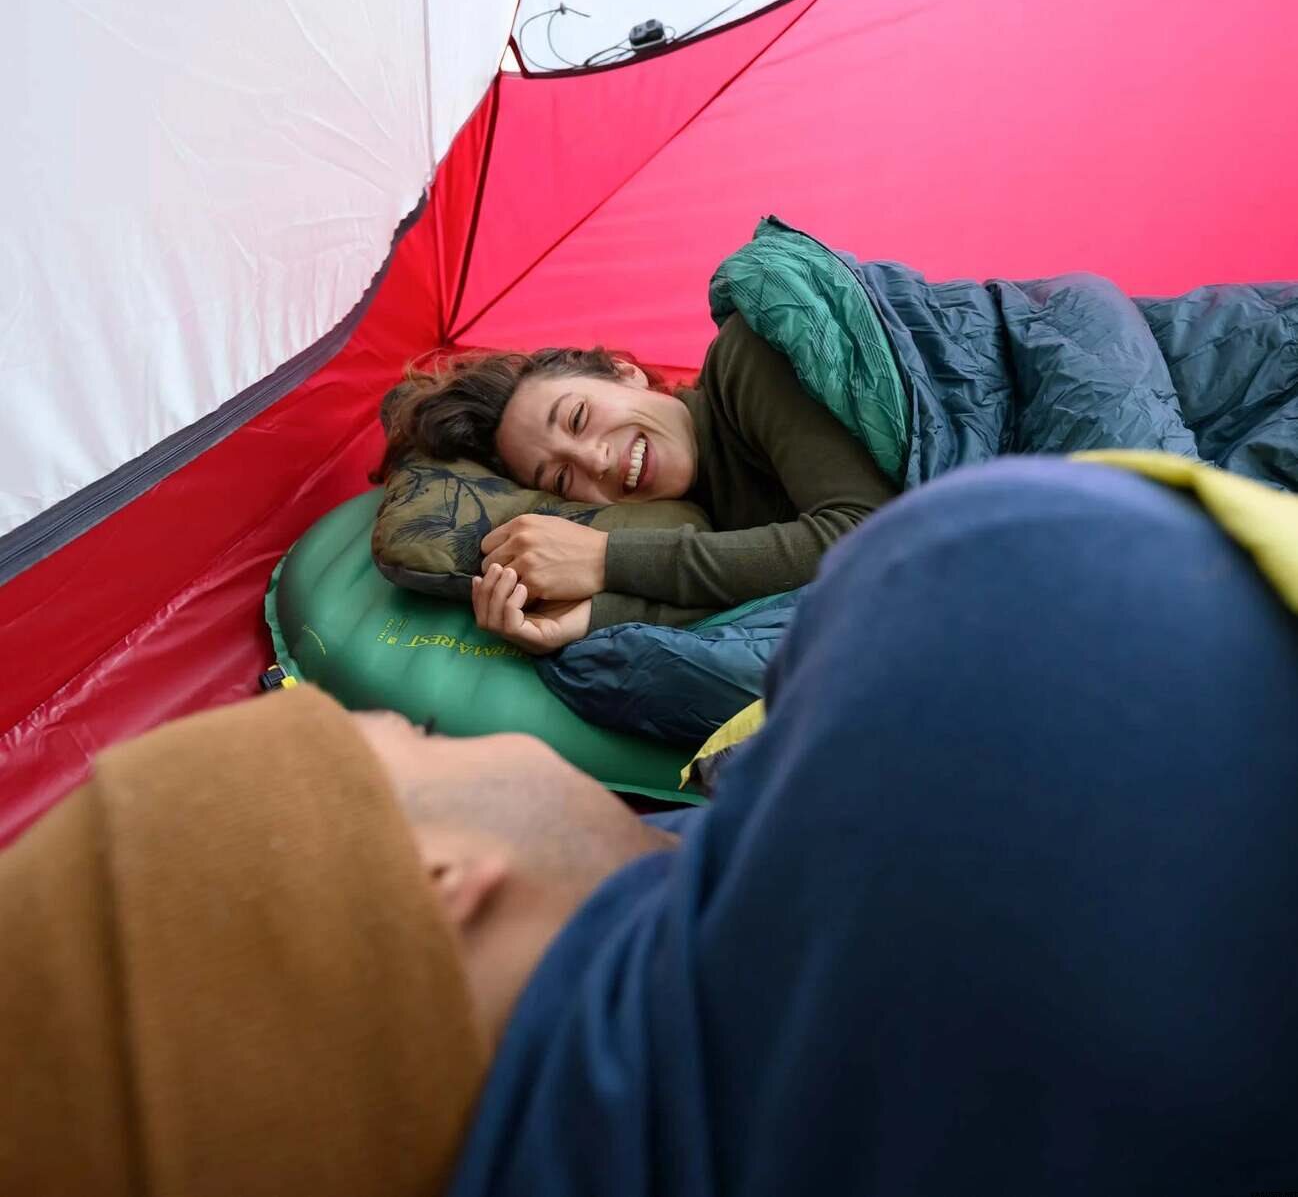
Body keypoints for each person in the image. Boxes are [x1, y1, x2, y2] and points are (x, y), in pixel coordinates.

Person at [5, 457, 1298, 1195]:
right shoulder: (993, 623)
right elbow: (1020, 561)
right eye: (394, 742)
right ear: (436, 876)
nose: (417, 725)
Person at [375, 314, 898, 651]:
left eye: (578, 417)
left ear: (626, 372)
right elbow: (743, 586)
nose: (595, 460)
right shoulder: (701, 521)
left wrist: (605, 558)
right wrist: (586, 618)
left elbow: (871, 538)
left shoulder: (747, 354)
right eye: (562, 477)